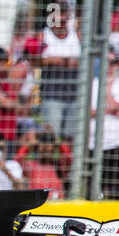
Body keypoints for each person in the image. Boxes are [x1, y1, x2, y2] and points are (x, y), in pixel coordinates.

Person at [88, 53, 119, 198]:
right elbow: (88, 112)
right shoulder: (93, 84)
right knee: (92, 188)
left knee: (116, 189)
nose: (109, 66)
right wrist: (109, 109)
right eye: (105, 62)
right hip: (93, 142)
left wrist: (106, 88)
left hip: (115, 142)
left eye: (112, 62)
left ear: (118, 64)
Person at [40, 12, 81, 140]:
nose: (59, 25)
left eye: (63, 22)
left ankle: (67, 161)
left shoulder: (76, 36)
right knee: (51, 137)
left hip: (74, 95)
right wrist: (55, 61)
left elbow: (86, 60)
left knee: (70, 138)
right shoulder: (44, 35)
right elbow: (34, 60)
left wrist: (66, 62)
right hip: (52, 95)